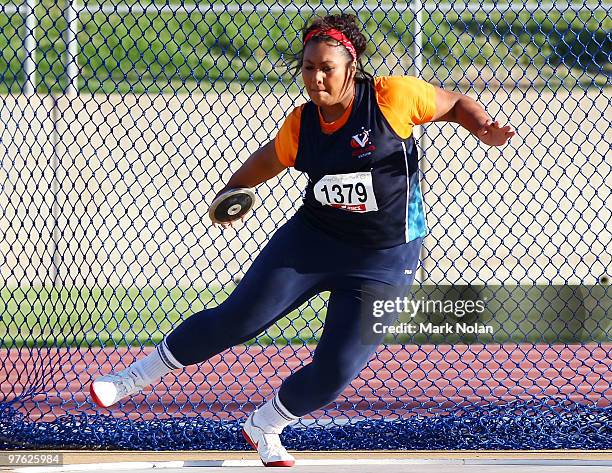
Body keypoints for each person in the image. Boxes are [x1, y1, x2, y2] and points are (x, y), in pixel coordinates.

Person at [90, 13, 515, 467]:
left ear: (351, 66)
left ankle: (266, 424)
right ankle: (130, 379)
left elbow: (453, 104)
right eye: (309, 67)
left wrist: (484, 128)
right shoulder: (302, 124)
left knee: (335, 371)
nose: (316, 78)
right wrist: (233, 191)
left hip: (385, 259)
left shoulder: (392, 97)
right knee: (238, 318)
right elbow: (267, 160)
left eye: (326, 68)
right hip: (313, 241)